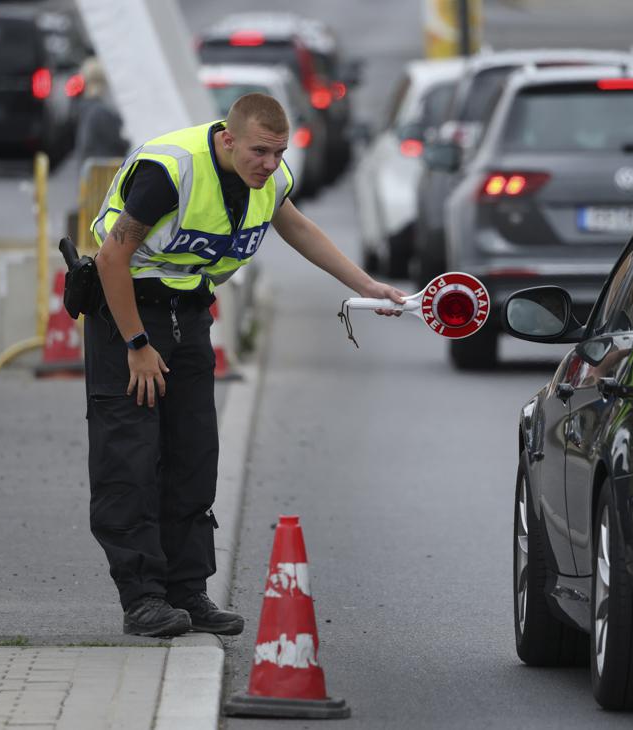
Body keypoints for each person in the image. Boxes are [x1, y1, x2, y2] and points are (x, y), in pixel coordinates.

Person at [85, 93, 406, 637]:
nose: (269, 163)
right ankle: (142, 598)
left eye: (279, 153)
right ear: (227, 139)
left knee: (193, 456)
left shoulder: (268, 179)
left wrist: (368, 287)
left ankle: (189, 592)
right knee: (131, 459)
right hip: (128, 313)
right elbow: (111, 258)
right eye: (259, 151)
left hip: (189, 313)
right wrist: (136, 345)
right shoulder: (173, 170)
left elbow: (299, 229)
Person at [74, 57, 129, 169]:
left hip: (88, 178)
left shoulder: (85, 109)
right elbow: (119, 144)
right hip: (105, 177)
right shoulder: (101, 112)